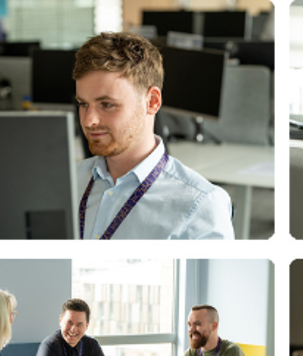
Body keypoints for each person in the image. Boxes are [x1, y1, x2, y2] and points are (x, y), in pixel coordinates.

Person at [73, 31, 234, 240]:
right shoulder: (67, 182)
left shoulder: (200, 206)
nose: (88, 120)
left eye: (107, 105)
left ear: (152, 102)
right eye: (83, 104)